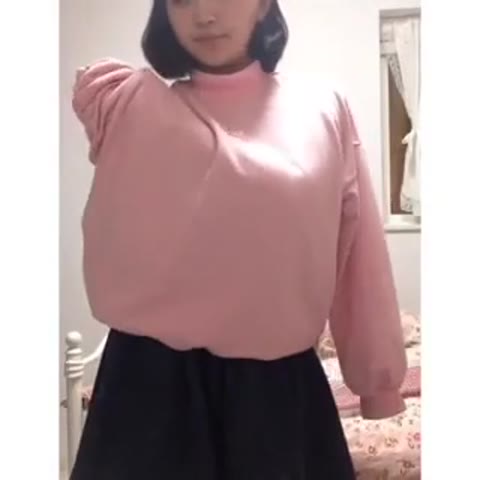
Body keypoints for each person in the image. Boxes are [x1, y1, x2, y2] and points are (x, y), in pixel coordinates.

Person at [70, 0, 407, 479]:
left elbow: (359, 257)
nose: (204, 14)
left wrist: (377, 380)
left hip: (275, 392)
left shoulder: (321, 108)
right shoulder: (126, 102)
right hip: (142, 389)